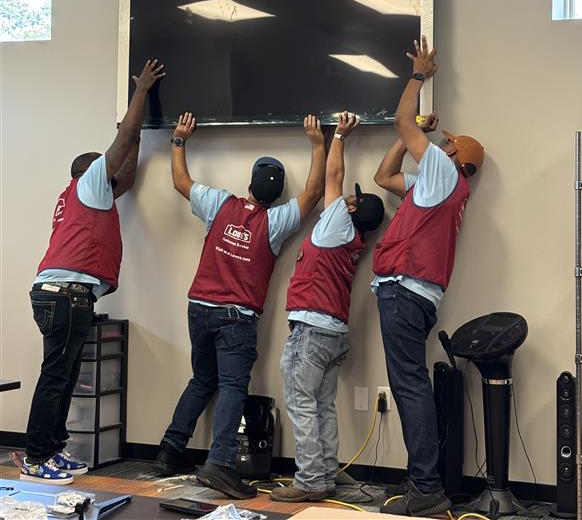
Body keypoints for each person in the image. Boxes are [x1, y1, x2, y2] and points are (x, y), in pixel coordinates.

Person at [155, 112, 326, 500]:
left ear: (248, 185)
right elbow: (314, 194)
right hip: (236, 318)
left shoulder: (219, 203)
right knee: (232, 385)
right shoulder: (276, 221)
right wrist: (318, 145)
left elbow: (181, 182)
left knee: (203, 380)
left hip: (198, 307)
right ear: (278, 194)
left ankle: (170, 449)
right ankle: (221, 463)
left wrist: (179, 140)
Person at [21, 59, 166, 485]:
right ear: (93, 173)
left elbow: (129, 171)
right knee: (55, 377)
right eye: (110, 170)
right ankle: (35, 456)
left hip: (66, 293)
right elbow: (120, 145)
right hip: (64, 294)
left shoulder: (83, 196)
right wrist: (140, 92)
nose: (117, 175)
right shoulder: (88, 184)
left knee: (63, 377)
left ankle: (53, 448)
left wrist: (137, 133)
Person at [372, 36, 484, 517]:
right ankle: (425, 485)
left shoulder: (442, 170)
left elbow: (402, 119)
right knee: (411, 384)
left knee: (410, 386)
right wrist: (409, 135)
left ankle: (426, 488)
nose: (439, 143)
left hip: (403, 290)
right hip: (415, 294)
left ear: (455, 154)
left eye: (446, 143)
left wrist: (418, 77)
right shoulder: (441, 186)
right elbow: (383, 176)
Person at [271, 111, 384, 504]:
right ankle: (326, 475)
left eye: (351, 200)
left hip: (312, 331)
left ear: (351, 211)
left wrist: (338, 137)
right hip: (335, 334)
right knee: (322, 405)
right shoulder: (352, 242)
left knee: (302, 403)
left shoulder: (337, 225)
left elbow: (333, 177)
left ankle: (309, 481)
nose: (344, 197)